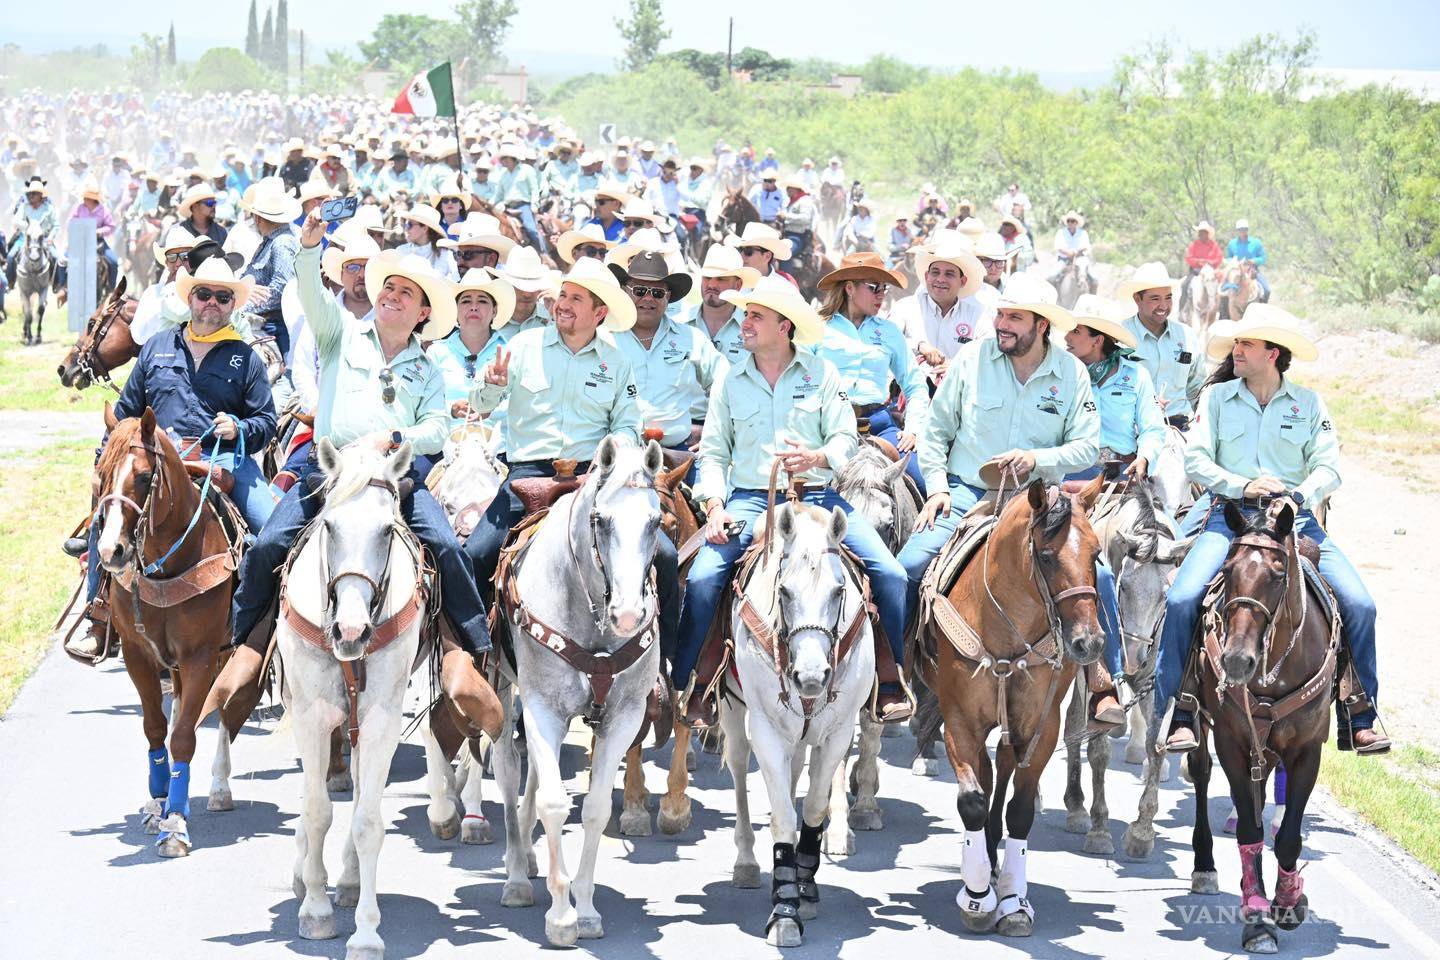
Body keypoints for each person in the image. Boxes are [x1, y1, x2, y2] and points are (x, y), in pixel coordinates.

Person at [209, 210, 501, 734]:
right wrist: (307, 249)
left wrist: (394, 439)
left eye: (405, 293)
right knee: (269, 543)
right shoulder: (339, 333)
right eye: (388, 288)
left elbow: (438, 428)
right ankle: (245, 650)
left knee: (449, 547)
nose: (391, 296)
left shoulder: (428, 367)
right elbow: (310, 293)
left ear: (422, 312)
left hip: (394, 479)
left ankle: (465, 657)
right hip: (332, 471)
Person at [673, 274, 912, 724]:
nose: (745, 323)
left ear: (784, 326)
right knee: (703, 578)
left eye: (755, 316)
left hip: (820, 497)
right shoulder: (730, 379)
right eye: (746, 315)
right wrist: (714, 506)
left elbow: (845, 439)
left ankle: (888, 678)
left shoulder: (822, 374)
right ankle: (692, 683)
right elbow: (714, 453)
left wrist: (817, 456)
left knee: (892, 574)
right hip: (751, 499)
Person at [1154, 304, 1387, 755]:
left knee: (1361, 605)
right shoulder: (1217, 399)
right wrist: (1242, 485)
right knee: (1182, 599)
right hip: (1232, 517)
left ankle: (1359, 712)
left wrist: (1297, 496)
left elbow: (1329, 467)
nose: (1236, 351)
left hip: (1294, 521)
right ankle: (1179, 710)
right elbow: (1196, 460)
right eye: (1237, 343)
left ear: (1272, 354)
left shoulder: (1308, 404)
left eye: (1246, 343)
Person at [60, 257, 278, 662]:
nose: (212, 303)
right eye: (204, 294)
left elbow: (266, 421)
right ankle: (99, 618)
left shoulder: (245, 358)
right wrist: (104, 463)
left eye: (222, 297)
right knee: (106, 522)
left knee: (271, 532)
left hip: (224, 460)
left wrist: (239, 427)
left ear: (232, 305)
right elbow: (125, 413)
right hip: (156, 462)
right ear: (190, 298)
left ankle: (261, 634)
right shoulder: (158, 347)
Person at [895, 274, 1100, 683]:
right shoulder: (971, 360)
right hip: (968, 492)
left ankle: (1099, 679)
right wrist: (937, 488)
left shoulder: (1071, 373)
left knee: (1099, 576)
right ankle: (897, 673)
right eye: (1001, 315)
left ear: (1042, 325)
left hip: (1042, 504)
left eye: (1014, 318)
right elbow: (934, 433)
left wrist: (1036, 458)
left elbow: (1088, 447)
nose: (1002, 324)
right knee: (908, 567)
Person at [461, 258, 657, 620]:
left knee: (665, 556)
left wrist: (614, 448)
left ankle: (666, 650)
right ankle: (475, 644)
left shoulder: (617, 363)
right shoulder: (523, 346)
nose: (563, 304)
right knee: (475, 554)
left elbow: (629, 424)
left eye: (576, 299)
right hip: (527, 476)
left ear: (599, 313)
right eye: (563, 295)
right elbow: (479, 405)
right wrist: (492, 385)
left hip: (593, 477)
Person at [1063, 294, 1169, 724]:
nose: (1067, 338)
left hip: (1124, 480)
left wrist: (1145, 455)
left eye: (1076, 332)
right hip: (1072, 483)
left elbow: (1153, 427)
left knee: (1165, 552)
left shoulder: (1135, 376)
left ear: (1098, 340)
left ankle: (1173, 682)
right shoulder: (1061, 372)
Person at [815, 253, 927, 492]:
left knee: (924, 481)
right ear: (849, 288)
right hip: (826, 423)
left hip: (877, 424)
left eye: (884, 288)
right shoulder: (817, 328)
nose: (881, 295)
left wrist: (913, 428)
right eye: (874, 287)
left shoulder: (889, 331)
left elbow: (915, 384)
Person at [610, 250, 726, 466]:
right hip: (619, 454)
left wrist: (714, 432)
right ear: (625, 291)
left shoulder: (691, 338)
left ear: (668, 297)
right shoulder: (606, 338)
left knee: (710, 487)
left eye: (657, 293)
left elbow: (726, 385)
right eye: (639, 290)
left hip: (677, 453)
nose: (648, 298)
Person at [1119, 262, 1206, 431]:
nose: (1164, 306)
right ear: (1137, 299)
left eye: (1168, 297)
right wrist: (1144, 402)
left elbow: (1198, 386)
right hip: (1133, 428)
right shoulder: (1121, 336)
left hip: (1180, 428)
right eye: (1155, 299)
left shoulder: (1187, 336)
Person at [428, 268, 516, 428]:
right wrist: (451, 409)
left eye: (482, 301)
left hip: (497, 439)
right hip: (447, 439)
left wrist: (489, 410)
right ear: (455, 310)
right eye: (466, 301)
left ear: (494, 311)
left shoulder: (510, 351)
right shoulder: (436, 352)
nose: (474, 307)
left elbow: (518, 401)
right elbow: (425, 403)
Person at [890, 241, 991, 380]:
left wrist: (957, 366)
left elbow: (990, 353)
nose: (940, 279)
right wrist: (919, 345)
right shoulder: (905, 307)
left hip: (958, 389)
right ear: (927, 276)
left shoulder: (977, 315)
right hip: (910, 389)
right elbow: (885, 339)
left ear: (962, 281)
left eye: (949, 274)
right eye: (935, 272)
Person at [237, 177, 301, 359]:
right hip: (264, 324)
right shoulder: (272, 242)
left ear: (258, 218)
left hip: (272, 327)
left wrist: (243, 305)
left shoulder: (282, 243)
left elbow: (282, 289)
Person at [689, 243, 760, 364]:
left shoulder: (755, 331)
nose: (712, 285)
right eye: (707, 277)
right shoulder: (678, 324)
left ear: (738, 285)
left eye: (721, 279)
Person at [5, 176, 57, 288]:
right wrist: (27, 226)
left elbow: (54, 223)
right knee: (10, 256)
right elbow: (16, 218)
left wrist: (50, 235)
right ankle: (10, 281)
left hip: (43, 237)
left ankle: (55, 283)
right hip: (25, 237)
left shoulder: (48, 205)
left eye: (36, 192)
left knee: (55, 257)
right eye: (31, 192)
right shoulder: (23, 203)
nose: (32, 195)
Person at [496, 245, 559, 332]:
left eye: (533, 287)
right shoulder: (490, 319)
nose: (527, 294)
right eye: (519, 287)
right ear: (507, 286)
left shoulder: (553, 318)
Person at [437, 212, 517, 276]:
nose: (460, 262)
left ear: (491, 259)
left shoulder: (506, 289)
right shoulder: (451, 283)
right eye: (457, 254)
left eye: (468, 255)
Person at [395, 205, 459, 281]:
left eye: (409, 225)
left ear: (425, 228)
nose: (406, 229)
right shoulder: (400, 251)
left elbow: (455, 279)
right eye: (405, 225)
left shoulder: (445, 254)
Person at [1179, 220, 1225, 317]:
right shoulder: (1194, 245)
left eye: (1203, 232)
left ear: (1207, 233)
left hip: (1210, 271)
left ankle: (1220, 311)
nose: (1201, 234)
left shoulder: (1214, 245)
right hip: (1196, 271)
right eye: (1200, 232)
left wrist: (1209, 262)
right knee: (1185, 285)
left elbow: (1219, 258)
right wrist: (1199, 262)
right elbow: (1188, 258)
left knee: (1222, 287)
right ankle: (1182, 310)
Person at [727, 221, 795, 286]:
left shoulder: (784, 286)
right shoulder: (730, 282)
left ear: (767, 256)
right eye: (740, 250)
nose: (741, 255)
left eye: (748, 251)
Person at [1049, 210, 1096, 293]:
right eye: (1068, 221)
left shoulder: (1083, 233)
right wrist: (1068, 253)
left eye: (1073, 221)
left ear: (1076, 223)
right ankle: (1051, 296)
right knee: (1051, 277)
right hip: (1063, 259)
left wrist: (1077, 252)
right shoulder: (1061, 232)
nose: (1070, 223)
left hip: (1080, 258)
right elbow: (1058, 247)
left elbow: (1086, 246)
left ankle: (1092, 297)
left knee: (1094, 280)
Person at [778, 175, 817, 275]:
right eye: (787, 187)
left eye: (790, 187)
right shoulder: (792, 201)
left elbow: (805, 219)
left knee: (785, 252)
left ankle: (786, 280)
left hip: (798, 237)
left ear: (796, 189)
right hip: (788, 235)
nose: (787, 189)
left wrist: (786, 216)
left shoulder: (805, 201)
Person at [1225, 218, 1270, 302]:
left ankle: (1262, 306)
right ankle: (1223, 310)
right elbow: (1228, 258)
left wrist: (1254, 261)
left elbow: (1263, 258)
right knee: (1223, 291)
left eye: (1244, 229)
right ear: (1237, 231)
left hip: (1252, 270)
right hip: (1236, 271)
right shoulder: (1232, 244)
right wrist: (1233, 261)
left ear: (1247, 230)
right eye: (1240, 229)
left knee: (1267, 290)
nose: (1242, 231)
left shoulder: (1256, 242)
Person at [678, 158, 713, 254]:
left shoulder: (706, 183)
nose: (692, 171)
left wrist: (688, 197)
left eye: (694, 168)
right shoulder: (685, 181)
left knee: (697, 231)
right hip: (682, 211)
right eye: (691, 168)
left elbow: (703, 201)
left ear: (700, 170)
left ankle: (696, 255)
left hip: (697, 212)